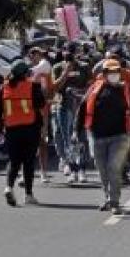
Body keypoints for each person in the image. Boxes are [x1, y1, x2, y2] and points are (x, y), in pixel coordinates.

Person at [77, 60, 130, 215]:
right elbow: (82, 110)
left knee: (113, 167)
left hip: (120, 136)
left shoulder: (125, 89)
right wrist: (76, 133)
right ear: (104, 74)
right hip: (97, 136)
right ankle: (108, 197)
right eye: (110, 72)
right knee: (102, 170)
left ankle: (115, 201)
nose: (114, 74)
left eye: (116, 71)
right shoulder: (94, 89)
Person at [0, 60, 45, 207]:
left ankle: (8, 187)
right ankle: (28, 195)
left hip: (11, 130)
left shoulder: (3, 88)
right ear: (25, 73)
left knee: (14, 161)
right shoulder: (32, 86)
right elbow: (41, 104)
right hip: (31, 129)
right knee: (28, 162)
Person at [53, 55, 91, 183]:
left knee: (81, 139)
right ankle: (71, 167)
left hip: (81, 107)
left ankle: (82, 170)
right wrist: (65, 73)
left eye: (72, 54)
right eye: (67, 54)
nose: (70, 58)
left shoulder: (84, 67)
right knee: (67, 140)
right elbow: (55, 88)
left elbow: (90, 87)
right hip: (63, 107)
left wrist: (77, 91)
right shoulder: (58, 68)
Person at [28, 47, 53, 183]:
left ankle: (43, 172)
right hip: (29, 111)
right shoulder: (30, 72)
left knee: (42, 142)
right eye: (31, 55)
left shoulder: (44, 67)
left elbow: (45, 90)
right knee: (28, 142)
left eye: (35, 55)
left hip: (42, 110)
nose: (33, 57)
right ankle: (27, 172)